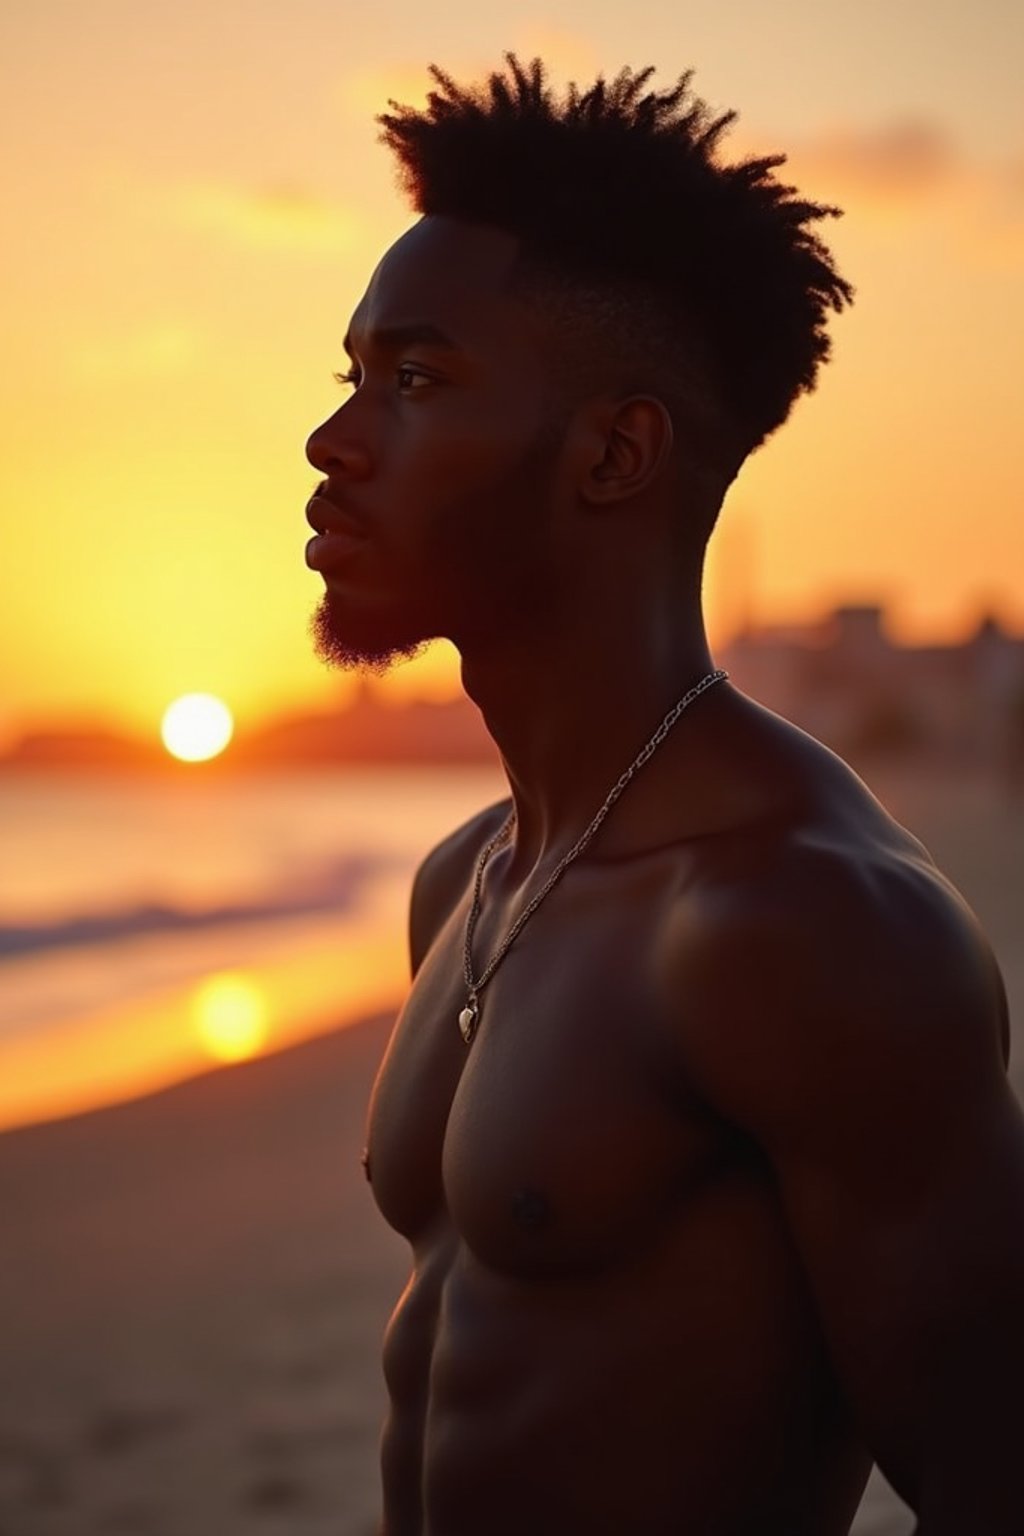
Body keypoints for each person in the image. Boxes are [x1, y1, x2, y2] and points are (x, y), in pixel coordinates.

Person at [303, 53, 1024, 1536]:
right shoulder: (473, 877)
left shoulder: (802, 921)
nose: (334, 443)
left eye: (418, 381)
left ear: (616, 453)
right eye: (354, 377)